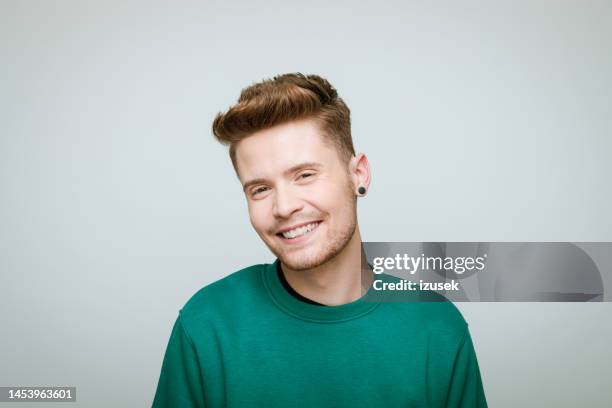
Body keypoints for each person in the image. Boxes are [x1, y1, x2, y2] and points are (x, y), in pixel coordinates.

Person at [152, 73, 488, 407]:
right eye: (261, 189)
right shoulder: (207, 324)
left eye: (305, 175)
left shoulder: (436, 327)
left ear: (359, 174)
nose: (284, 207)